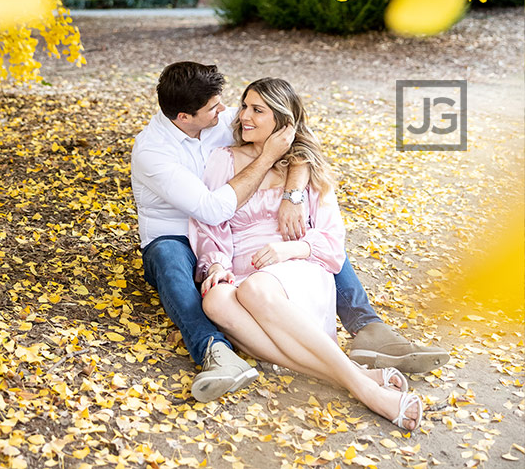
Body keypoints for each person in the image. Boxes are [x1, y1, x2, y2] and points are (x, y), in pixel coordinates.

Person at [131, 61, 448, 403]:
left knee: (302, 248)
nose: (233, 116)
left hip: (277, 255)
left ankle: (370, 329)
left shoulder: (223, 119)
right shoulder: (154, 151)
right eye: (217, 108)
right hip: (178, 231)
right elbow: (211, 214)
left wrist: (292, 194)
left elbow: (294, 137)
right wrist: (217, 263)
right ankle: (214, 349)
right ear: (184, 117)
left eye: (243, 108)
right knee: (184, 272)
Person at [190, 77, 423, 431]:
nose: (243, 117)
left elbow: (332, 241)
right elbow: (211, 225)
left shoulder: (306, 168)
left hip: (296, 268)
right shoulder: (223, 160)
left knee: (256, 289)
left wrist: (287, 248)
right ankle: (354, 374)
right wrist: (218, 264)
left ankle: (365, 390)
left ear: (284, 122)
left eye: (257, 110)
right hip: (242, 270)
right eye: (244, 106)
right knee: (216, 301)